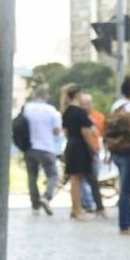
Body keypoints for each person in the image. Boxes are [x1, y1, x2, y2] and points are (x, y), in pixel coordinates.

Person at [60, 84, 105, 220]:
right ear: (78, 95)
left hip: (72, 144)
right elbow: (86, 132)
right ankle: (78, 209)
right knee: (78, 180)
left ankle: (76, 208)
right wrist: (93, 147)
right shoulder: (79, 112)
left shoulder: (66, 111)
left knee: (75, 180)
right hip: (80, 147)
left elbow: (66, 131)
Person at [108, 77, 130, 234]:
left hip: (116, 149)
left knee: (124, 186)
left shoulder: (116, 106)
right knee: (127, 189)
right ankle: (125, 224)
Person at [22, 86, 63, 216]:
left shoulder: (27, 108)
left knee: (32, 176)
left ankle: (35, 205)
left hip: (30, 147)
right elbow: (57, 131)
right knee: (53, 175)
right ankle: (46, 197)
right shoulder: (51, 110)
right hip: (46, 147)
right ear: (46, 96)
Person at [79, 93, 106, 213]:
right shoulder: (78, 117)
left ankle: (92, 202)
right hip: (82, 151)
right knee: (83, 179)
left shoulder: (99, 117)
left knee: (94, 178)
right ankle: (87, 202)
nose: (85, 107)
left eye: (88, 104)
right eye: (83, 104)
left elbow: (103, 135)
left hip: (95, 151)